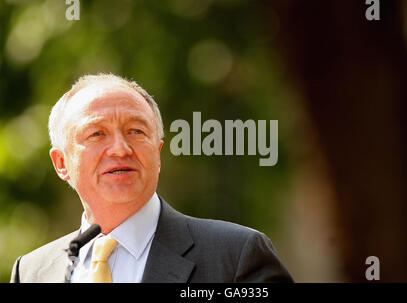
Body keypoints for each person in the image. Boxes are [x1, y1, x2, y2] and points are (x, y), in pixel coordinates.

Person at [10, 73, 293, 283]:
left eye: (136, 131)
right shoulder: (32, 272)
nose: (121, 148)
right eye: (96, 133)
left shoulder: (235, 256)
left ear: (157, 154)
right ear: (61, 163)